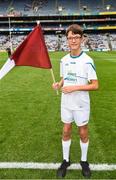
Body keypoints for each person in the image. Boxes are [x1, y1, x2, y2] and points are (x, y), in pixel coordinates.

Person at [52, 24, 99, 178]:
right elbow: (64, 78)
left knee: (83, 132)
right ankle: (66, 160)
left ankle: (84, 161)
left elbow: (95, 85)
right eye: (70, 37)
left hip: (81, 104)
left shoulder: (87, 60)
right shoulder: (64, 59)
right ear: (67, 40)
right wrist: (58, 84)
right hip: (66, 103)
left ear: (81, 39)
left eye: (76, 37)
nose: (73, 40)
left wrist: (75, 88)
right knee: (66, 130)